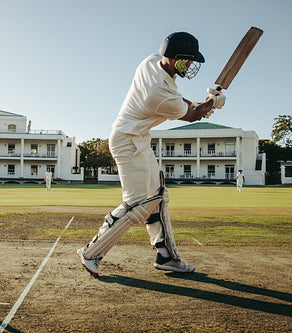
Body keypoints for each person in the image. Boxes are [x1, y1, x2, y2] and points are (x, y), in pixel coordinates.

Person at [77, 32, 226, 277]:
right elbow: (189, 113)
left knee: (157, 196)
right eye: (188, 60)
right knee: (136, 206)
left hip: (138, 139)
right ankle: (91, 252)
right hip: (127, 140)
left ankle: (166, 257)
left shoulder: (151, 61)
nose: (190, 65)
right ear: (176, 58)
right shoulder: (157, 93)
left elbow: (179, 101)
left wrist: (204, 103)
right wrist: (211, 103)